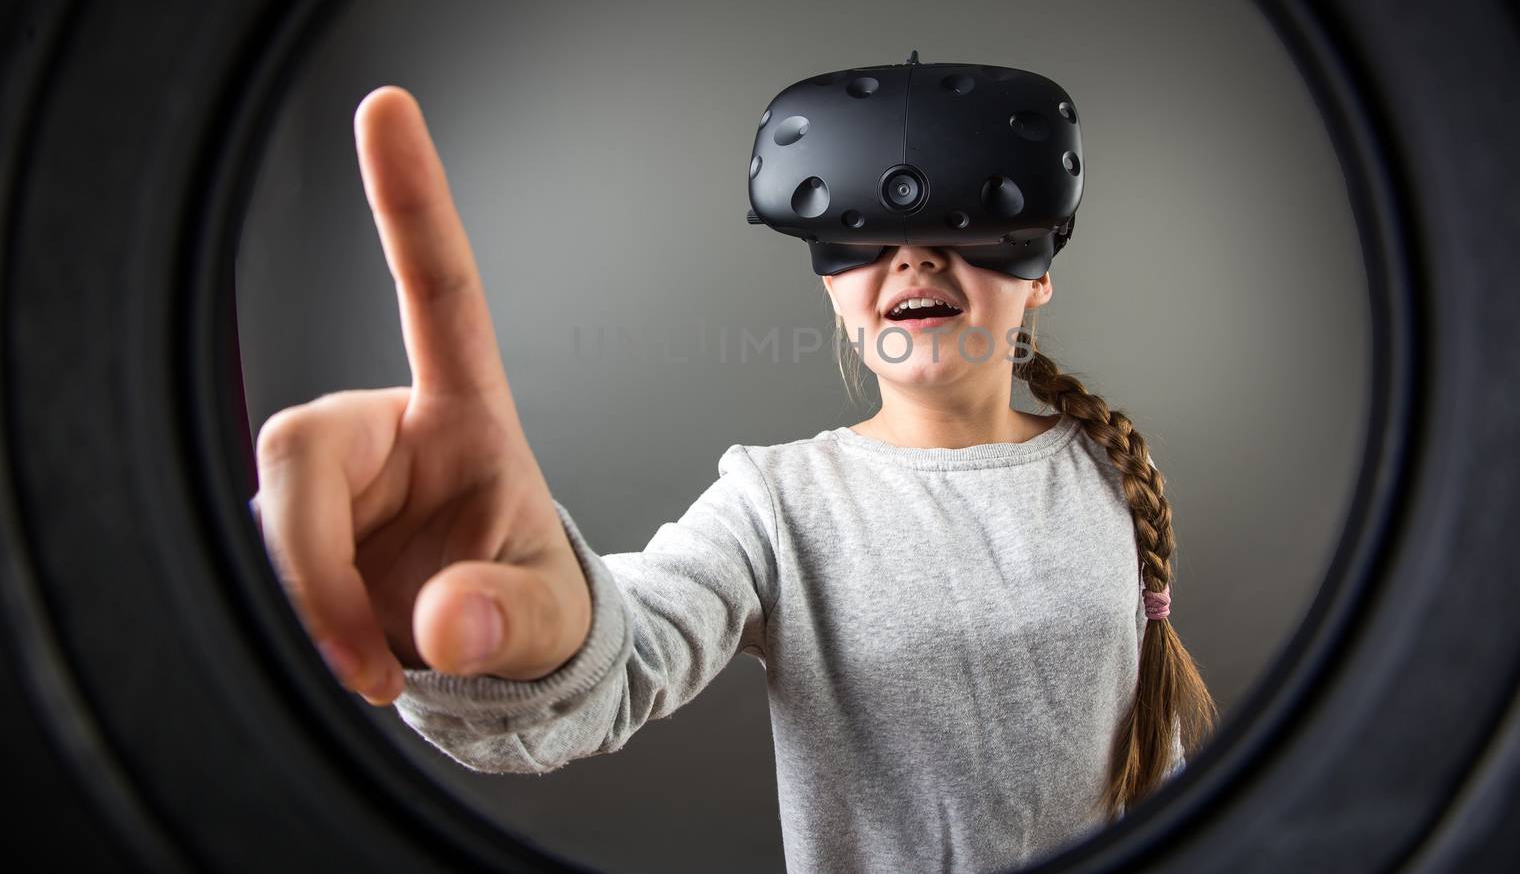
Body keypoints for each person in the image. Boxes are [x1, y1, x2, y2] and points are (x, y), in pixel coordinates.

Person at [252, 85, 1217, 874]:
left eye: (972, 225)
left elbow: (1151, 757)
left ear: (1041, 270)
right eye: (865, 234)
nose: (916, 254)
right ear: (830, 284)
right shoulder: (777, 504)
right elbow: (627, 654)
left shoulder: (1106, 471)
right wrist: (512, 637)